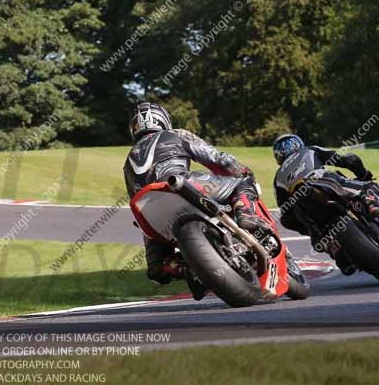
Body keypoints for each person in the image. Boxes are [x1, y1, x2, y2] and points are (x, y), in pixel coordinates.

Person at [124, 102, 266, 287]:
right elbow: (217, 158)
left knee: (157, 269)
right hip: (181, 184)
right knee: (243, 182)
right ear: (163, 120)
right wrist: (242, 171)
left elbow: (134, 195)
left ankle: (180, 267)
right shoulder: (176, 134)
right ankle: (246, 214)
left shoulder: (128, 163)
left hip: (149, 209)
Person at [272, 133, 378, 274]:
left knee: (314, 234)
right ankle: (373, 207)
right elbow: (350, 160)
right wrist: (363, 174)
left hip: (305, 209)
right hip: (324, 182)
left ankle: (334, 248)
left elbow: (286, 216)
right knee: (368, 186)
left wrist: (307, 227)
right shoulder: (310, 150)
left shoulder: (278, 178)